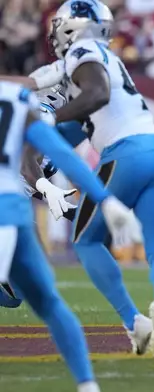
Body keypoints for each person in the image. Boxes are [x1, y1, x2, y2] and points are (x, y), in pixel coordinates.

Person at [36, 0, 154, 358]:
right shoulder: (108, 59)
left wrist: (47, 121)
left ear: (74, 27)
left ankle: (134, 321)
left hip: (126, 155)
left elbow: (95, 96)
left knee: (85, 242)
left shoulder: (82, 51)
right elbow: (75, 126)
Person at [0, 79, 137, 392]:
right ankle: (87, 385)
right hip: (11, 210)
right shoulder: (32, 103)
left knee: (18, 295)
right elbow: (52, 158)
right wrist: (103, 198)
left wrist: (49, 193)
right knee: (47, 301)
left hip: (11, 205)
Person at [0, 84, 87, 309]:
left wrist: (71, 211)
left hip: (12, 199)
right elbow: (27, 167)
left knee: (17, 293)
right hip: (7, 201)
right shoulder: (49, 114)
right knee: (34, 285)